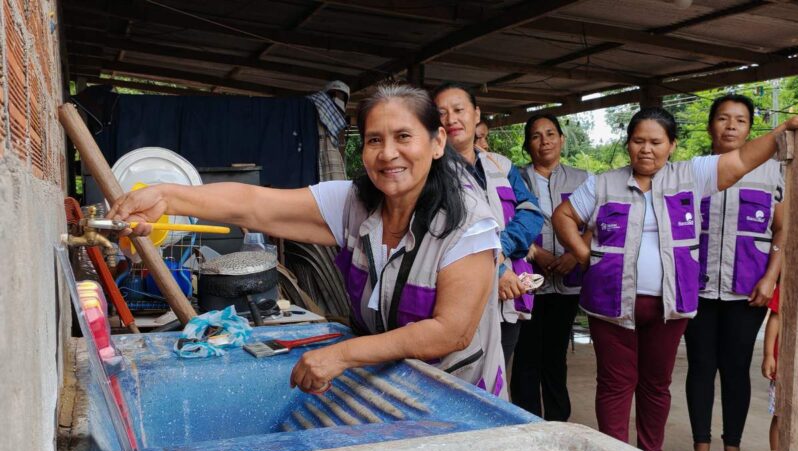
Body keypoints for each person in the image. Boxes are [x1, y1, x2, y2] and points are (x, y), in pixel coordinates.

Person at [109, 84, 509, 399]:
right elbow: (254, 205)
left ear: (437, 142)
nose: (388, 154)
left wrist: (342, 355)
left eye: (404, 136)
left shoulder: (468, 223)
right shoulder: (355, 202)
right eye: (374, 140)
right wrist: (165, 196)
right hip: (395, 387)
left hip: (462, 396)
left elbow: (449, 332)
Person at [552, 107, 798, 451]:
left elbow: (742, 159)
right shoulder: (603, 182)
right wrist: (583, 255)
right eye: (638, 141)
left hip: (670, 305)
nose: (646, 149)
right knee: (614, 385)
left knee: (656, 385)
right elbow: (563, 216)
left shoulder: (691, 175)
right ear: (627, 145)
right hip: (610, 304)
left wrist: (782, 130)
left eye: (656, 142)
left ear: (672, 145)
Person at [684, 94, 785, 451]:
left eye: (740, 120)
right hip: (697, 289)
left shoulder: (774, 173)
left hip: (749, 290)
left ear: (749, 128)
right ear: (710, 125)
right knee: (700, 365)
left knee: (736, 367)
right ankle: (701, 449)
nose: (731, 126)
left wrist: (770, 278)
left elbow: (783, 231)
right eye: (723, 118)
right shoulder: (692, 169)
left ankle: (733, 449)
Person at [432, 82, 543, 365]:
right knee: (459, 376)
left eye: (459, 110)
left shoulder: (501, 166)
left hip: (507, 296)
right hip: (458, 298)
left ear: (477, 114)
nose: (451, 119)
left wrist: (501, 252)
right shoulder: (430, 172)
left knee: (498, 375)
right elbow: (440, 235)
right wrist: (497, 268)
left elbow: (531, 212)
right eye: (442, 113)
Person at [512, 114, 589, 420]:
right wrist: (533, 252)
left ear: (562, 139)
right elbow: (504, 221)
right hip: (527, 280)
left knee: (556, 356)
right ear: (527, 144)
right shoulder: (514, 179)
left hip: (568, 281)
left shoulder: (583, 179)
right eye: (536, 136)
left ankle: (558, 421)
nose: (544, 141)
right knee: (527, 356)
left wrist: (575, 252)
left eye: (550, 134)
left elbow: (596, 222)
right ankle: (526, 422)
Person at [307, 80, 350, 181]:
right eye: (332, 95)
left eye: (340, 96)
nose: (335, 98)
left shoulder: (340, 124)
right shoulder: (313, 112)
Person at [762, 286, 780, 451]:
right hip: (787, 367)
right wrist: (769, 354)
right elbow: (775, 318)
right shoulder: (792, 283)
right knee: (781, 416)